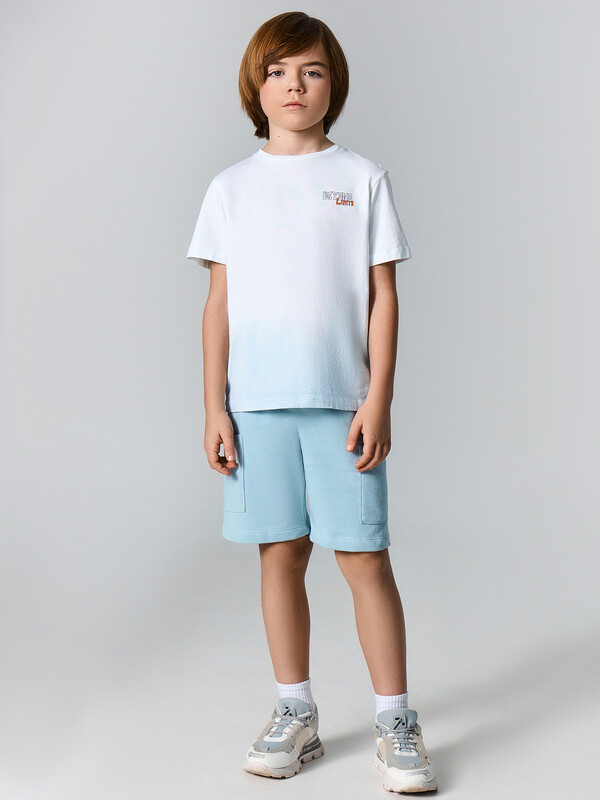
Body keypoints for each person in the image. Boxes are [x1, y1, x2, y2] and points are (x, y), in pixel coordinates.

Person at [186, 11, 438, 795]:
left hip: (340, 404)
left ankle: (396, 719)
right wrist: (215, 407)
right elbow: (218, 305)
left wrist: (379, 397)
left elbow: (383, 296)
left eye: (312, 71)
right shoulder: (230, 188)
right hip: (256, 407)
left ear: (334, 85)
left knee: (363, 557)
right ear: (255, 88)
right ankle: (295, 710)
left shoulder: (361, 179)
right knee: (281, 554)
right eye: (277, 72)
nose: (294, 85)